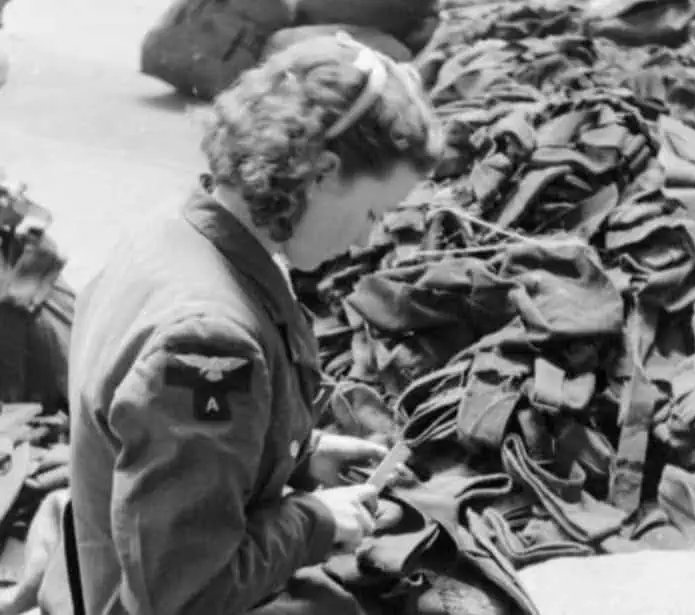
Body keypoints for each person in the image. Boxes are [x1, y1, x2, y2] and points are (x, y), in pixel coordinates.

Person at [65, 33, 442, 615]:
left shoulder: (175, 227)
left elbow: (165, 442)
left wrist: (297, 453)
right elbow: (183, 597)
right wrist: (313, 520)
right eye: (372, 211)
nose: (369, 237)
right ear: (321, 172)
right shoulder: (209, 344)